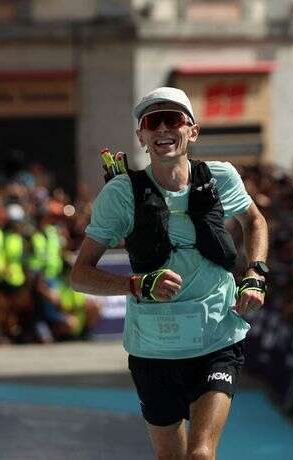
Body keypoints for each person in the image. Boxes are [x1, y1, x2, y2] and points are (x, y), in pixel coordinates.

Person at [71, 87, 269, 459]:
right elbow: (80, 275)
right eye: (152, 121)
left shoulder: (222, 176)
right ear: (142, 137)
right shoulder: (121, 194)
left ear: (192, 131)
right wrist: (136, 284)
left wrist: (256, 272)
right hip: (154, 347)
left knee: (201, 455)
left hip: (217, 337)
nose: (163, 128)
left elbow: (254, 221)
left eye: (173, 119)